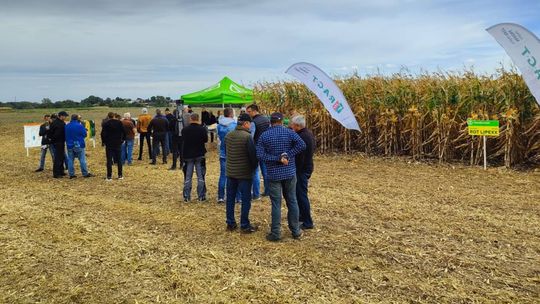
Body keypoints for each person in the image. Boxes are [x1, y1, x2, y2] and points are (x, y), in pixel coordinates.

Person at [256, 112, 306, 242]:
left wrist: (277, 158)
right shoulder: (290, 133)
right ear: (282, 121)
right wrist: (287, 155)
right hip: (289, 172)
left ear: (270, 122)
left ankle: (276, 233)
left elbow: (260, 155)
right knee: (292, 201)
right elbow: (302, 145)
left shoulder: (264, 135)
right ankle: (295, 231)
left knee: (276, 204)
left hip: (273, 174)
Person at [224, 113, 259, 233]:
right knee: (245, 199)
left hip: (230, 172)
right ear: (245, 123)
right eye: (249, 124)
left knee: (230, 199)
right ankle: (244, 224)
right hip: (244, 173)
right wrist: (254, 168)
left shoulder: (229, 135)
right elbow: (252, 156)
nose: (250, 126)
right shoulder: (247, 137)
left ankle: (230, 222)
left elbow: (227, 152)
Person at [291, 115, 316, 229]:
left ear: (298, 125)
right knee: (299, 194)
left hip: (302, 170)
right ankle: (302, 215)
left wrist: (297, 169)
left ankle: (307, 222)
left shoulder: (302, 137)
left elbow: (300, 156)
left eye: (292, 124)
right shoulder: (308, 134)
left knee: (301, 195)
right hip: (307, 167)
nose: (291, 126)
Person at [181, 113, 208, 202]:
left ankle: (187, 196)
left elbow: (183, 140)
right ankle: (201, 196)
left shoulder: (185, 130)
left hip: (188, 154)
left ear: (190, 119)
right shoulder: (202, 129)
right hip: (199, 154)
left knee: (188, 177)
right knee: (200, 176)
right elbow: (206, 140)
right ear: (198, 119)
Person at [247, 104, 271, 198]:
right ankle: (267, 190)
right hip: (266, 147)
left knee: (255, 171)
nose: (248, 114)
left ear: (254, 111)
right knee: (265, 170)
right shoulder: (266, 119)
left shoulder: (253, 122)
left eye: (249, 112)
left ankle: (256, 193)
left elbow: (250, 137)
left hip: (256, 147)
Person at [217, 107, 238, 204]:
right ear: (231, 114)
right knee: (237, 175)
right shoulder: (234, 125)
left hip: (223, 152)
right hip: (234, 152)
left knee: (223, 175)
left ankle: (221, 196)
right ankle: (238, 197)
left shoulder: (219, 125)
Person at [65, 114, 92, 178]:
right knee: (82, 159)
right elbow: (85, 134)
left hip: (69, 145)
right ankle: (85, 173)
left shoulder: (66, 126)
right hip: (79, 144)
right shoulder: (80, 126)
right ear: (77, 119)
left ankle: (71, 174)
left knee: (70, 160)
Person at [101, 113, 126, 180]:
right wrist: (123, 139)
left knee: (109, 160)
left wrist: (103, 142)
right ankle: (120, 175)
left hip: (109, 144)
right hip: (118, 143)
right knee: (119, 160)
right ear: (114, 116)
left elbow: (102, 134)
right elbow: (124, 132)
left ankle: (109, 176)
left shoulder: (106, 124)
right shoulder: (119, 123)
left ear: (108, 117)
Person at [169, 106, 191, 170]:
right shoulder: (183, 119)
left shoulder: (173, 120)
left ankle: (174, 165)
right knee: (181, 151)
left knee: (175, 152)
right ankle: (181, 165)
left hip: (175, 137)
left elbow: (169, 128)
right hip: (182, 137)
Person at [49, 111, 69, 178]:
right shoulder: (58, 123)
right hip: (58, 142)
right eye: (65, 116)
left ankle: (61, 171)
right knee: (58, 158)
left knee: (61, 157)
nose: (66, 117)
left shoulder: (59, 122)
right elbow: (54, 134)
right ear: (61, 116)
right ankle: (56, 174)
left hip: (59, 142)